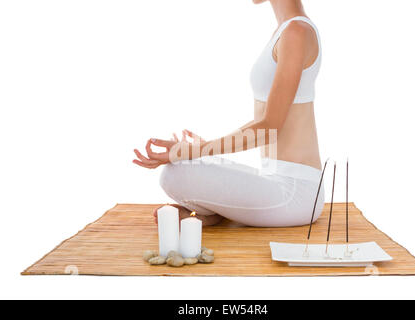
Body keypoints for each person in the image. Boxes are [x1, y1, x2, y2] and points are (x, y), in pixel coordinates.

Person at [133, 0, 324, 227]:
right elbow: (264, 123)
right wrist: (201, 151)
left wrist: (197, 150)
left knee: (175, 174)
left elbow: (268, 128)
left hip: (296, 193)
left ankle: (216, 212)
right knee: (184, 166)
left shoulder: (297, 33)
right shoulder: (287, 30)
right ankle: (218, 213)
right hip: (274, 179)